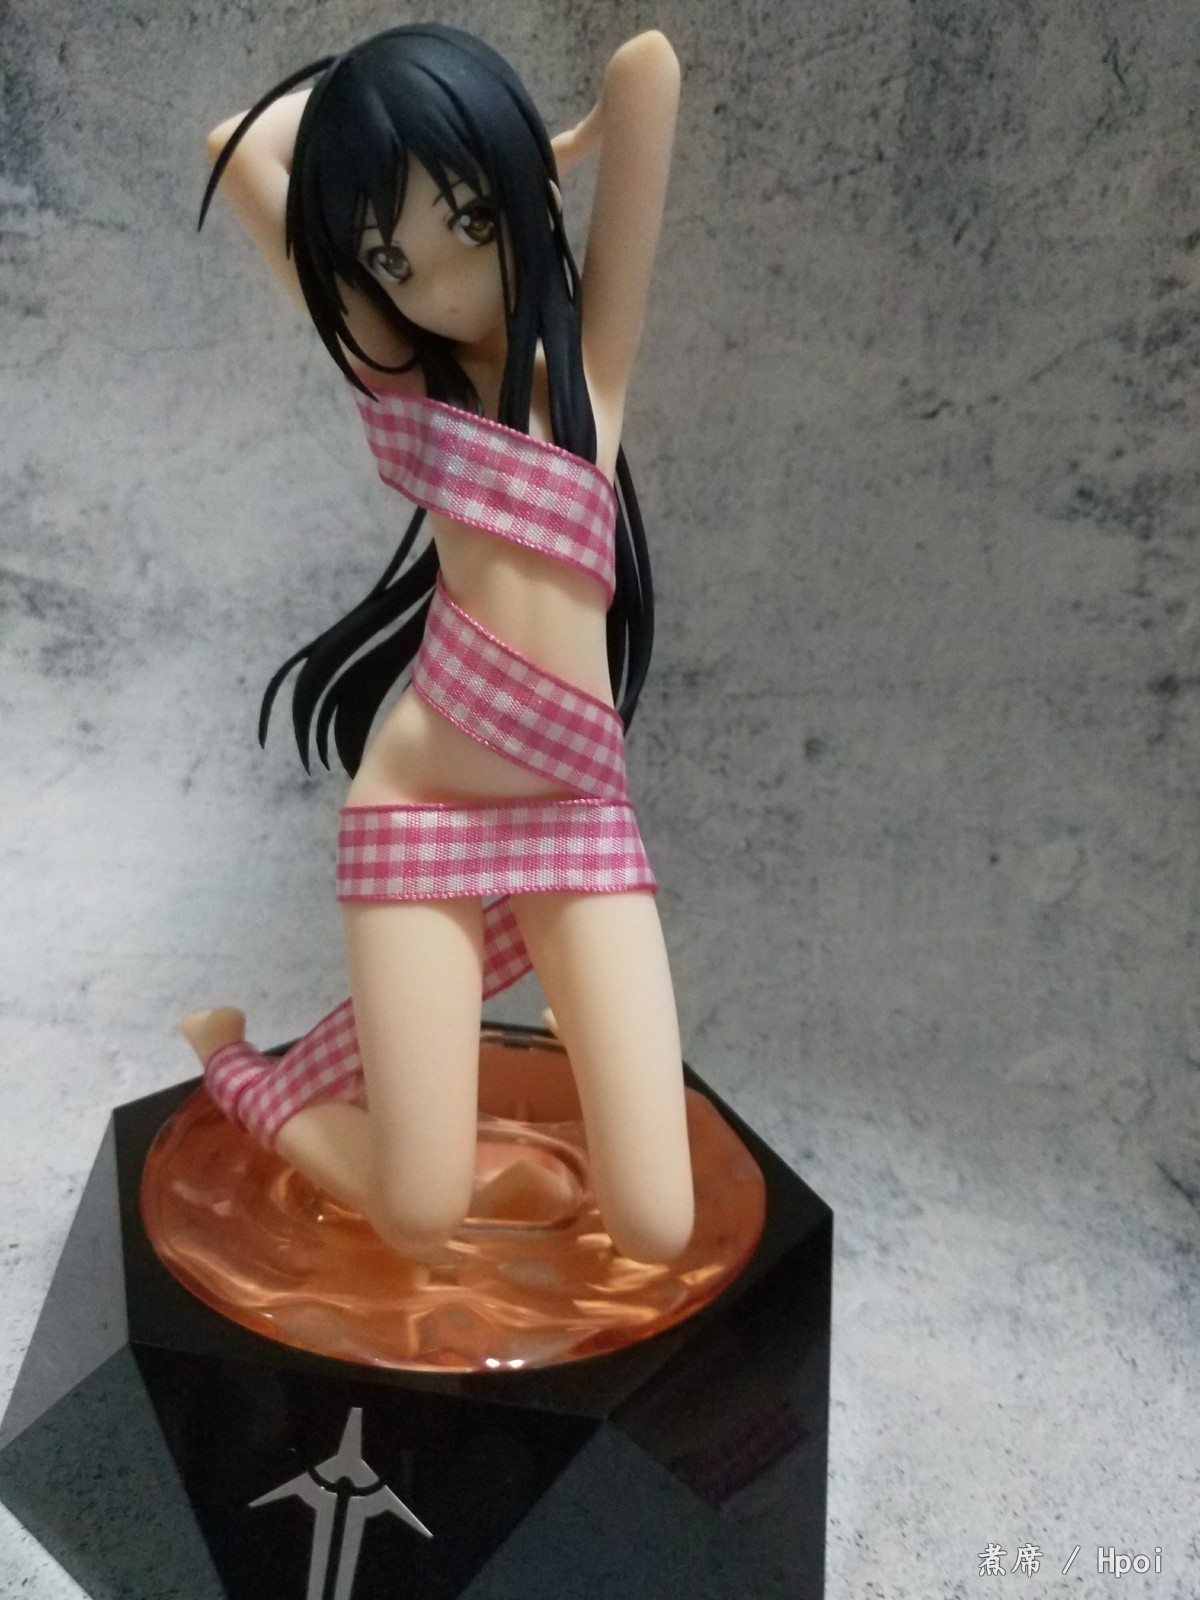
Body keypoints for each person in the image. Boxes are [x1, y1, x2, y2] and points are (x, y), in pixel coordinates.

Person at [182, 23, 694, 1266]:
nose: (446, 284)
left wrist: (527, 147)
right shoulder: (406, 389)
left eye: (471, 221)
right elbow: (238, 146)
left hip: (574, 813)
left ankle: (477, 1150)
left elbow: (648, 74)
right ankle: (238, 1071)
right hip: (418, 810)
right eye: (392, 260)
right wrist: (391, 137)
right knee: (415, 1213)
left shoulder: (592, 377)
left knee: (658, 1222)